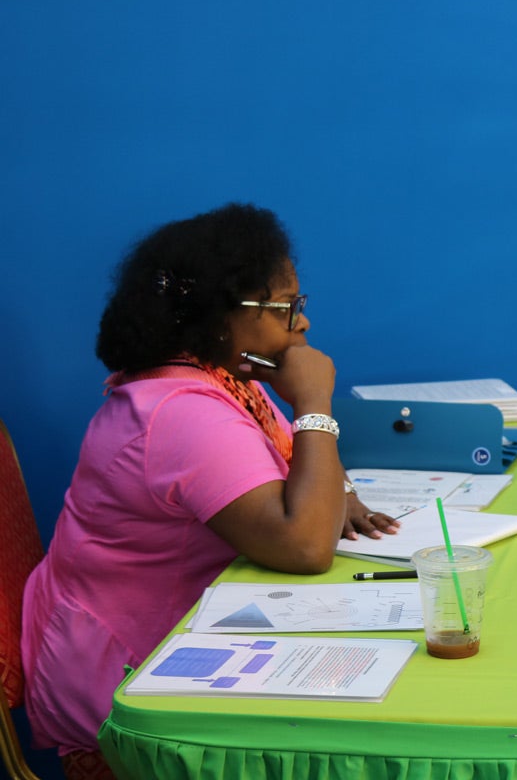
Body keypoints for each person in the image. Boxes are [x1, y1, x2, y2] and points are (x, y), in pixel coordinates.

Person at [20, 203, 400, 774]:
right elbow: (304, 548)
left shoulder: (215, 376)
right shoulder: (181, 413)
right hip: (131, 687)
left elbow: (290, 456)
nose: (303, 324)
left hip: (183, 636)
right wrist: (315, 404)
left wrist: (335, 486)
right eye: (286, 307)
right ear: (225, 316)